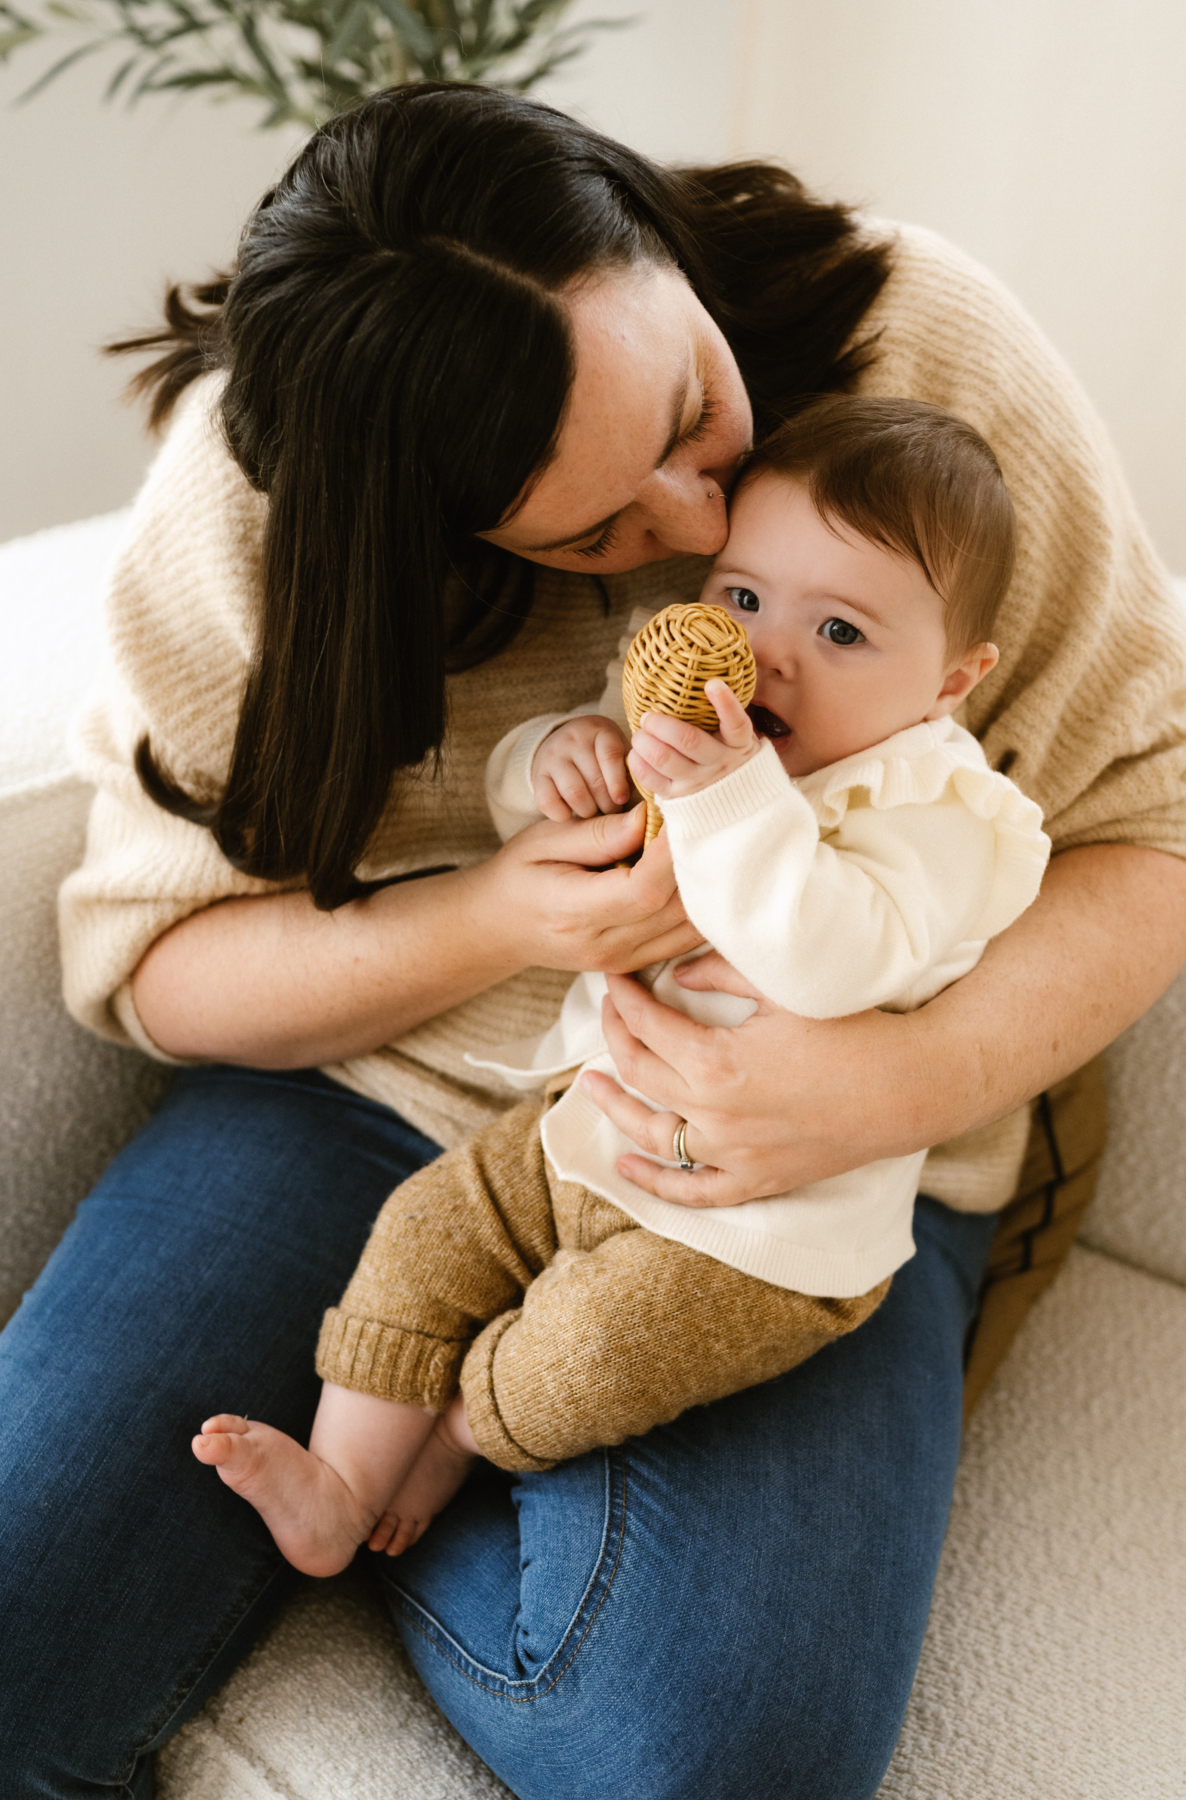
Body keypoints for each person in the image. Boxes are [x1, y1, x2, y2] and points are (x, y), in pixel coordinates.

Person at [0, 81, 1186, 1800]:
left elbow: (1152, 816)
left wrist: (884, 1082)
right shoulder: (280, 490)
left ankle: (426, 1451)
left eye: (694, 411)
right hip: (387, 1100)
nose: (696, 521)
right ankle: (378, 1454)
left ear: (646, 232)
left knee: (717, 1763)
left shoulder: (921, 361)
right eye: (595, 531)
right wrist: (501, 911)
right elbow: (154, 955)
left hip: (792, 1188)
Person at [192, 394, 1053, 1575]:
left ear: (953, 679)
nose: (765, 651)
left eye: (843, 632)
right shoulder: (702, 734)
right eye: (741, 597)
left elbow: (826, 954)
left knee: (586, 1351)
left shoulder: (940, 815)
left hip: (754, 1234)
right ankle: (337, 1484)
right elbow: (549, 825)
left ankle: (459, 1435)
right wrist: (557, 759)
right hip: (582, 1126)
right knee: (424, 1230)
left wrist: (727, 795)